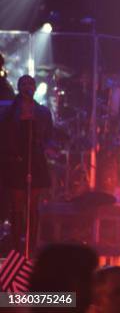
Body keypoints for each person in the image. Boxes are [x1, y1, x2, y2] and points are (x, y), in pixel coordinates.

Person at [1, 75, 52, 255]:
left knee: (33, 206)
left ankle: (32, 246)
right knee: (17, 206)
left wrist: (46, 147)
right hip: (16, 159)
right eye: (24, 83)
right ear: (18, 87)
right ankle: (16, 247)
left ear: (35, 87)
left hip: (35, 159)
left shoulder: (43, 112)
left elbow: (48, 135)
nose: (27, 86)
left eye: (30, 83)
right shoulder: (8, 111)